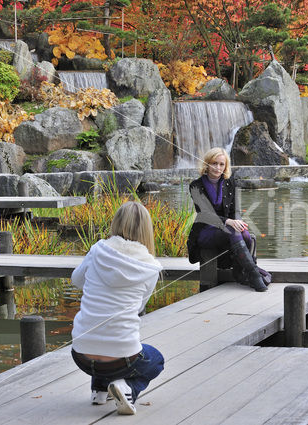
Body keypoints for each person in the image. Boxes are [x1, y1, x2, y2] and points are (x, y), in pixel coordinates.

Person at [71, 201, 165, 415]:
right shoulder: (150, 267)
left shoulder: (97, 250)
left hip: (80, 355)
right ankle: (127, 388)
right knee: (156, 360)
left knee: (100, 332)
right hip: (121, 360)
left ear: (116, 223)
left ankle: (99, 390)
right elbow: (139, 307)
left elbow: (76, 280)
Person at [187, 147, 268, 292]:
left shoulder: (230, 183)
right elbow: (205, 214)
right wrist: (228, 222)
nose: (218, 168)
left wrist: (238, 222)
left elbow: (235, 210)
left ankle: (239, 272)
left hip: (227, 229)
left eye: (221, 164)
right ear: (207, 164)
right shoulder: (195, 185)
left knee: (243, 233)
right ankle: (253, 274)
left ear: (226, 166)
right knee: (233, 231)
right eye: (214, 163)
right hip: (205, 231)